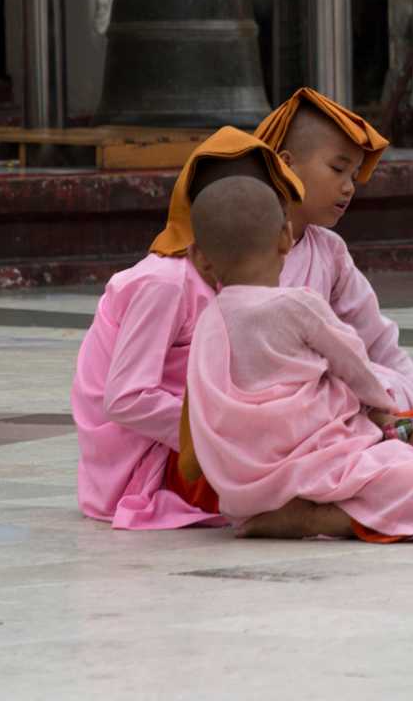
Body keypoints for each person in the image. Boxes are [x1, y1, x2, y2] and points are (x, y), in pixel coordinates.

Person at [184, 177, 413, 539]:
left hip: (244, 491)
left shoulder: (207, 324)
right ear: (286, 237)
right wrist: (384, 413)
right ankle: (314, 519)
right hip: (319, 466)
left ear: (197, 258)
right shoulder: (298, 304)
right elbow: (356, 366)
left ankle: (292, 513)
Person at [71, 128, 305, 529]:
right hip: (150, 464)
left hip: (205, 437)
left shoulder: (225, 276)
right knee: (290, 472)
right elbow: (125, 398)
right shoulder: (165, 282)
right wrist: (221, 432)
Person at [252, 88, 413, 410]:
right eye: (337, 170)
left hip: (318, 408)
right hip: (257, 411)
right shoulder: (232, 249)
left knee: (404, 399)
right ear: (286, 165)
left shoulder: (328, 251)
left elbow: (378, 342)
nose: (349, 186)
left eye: (354, 175)